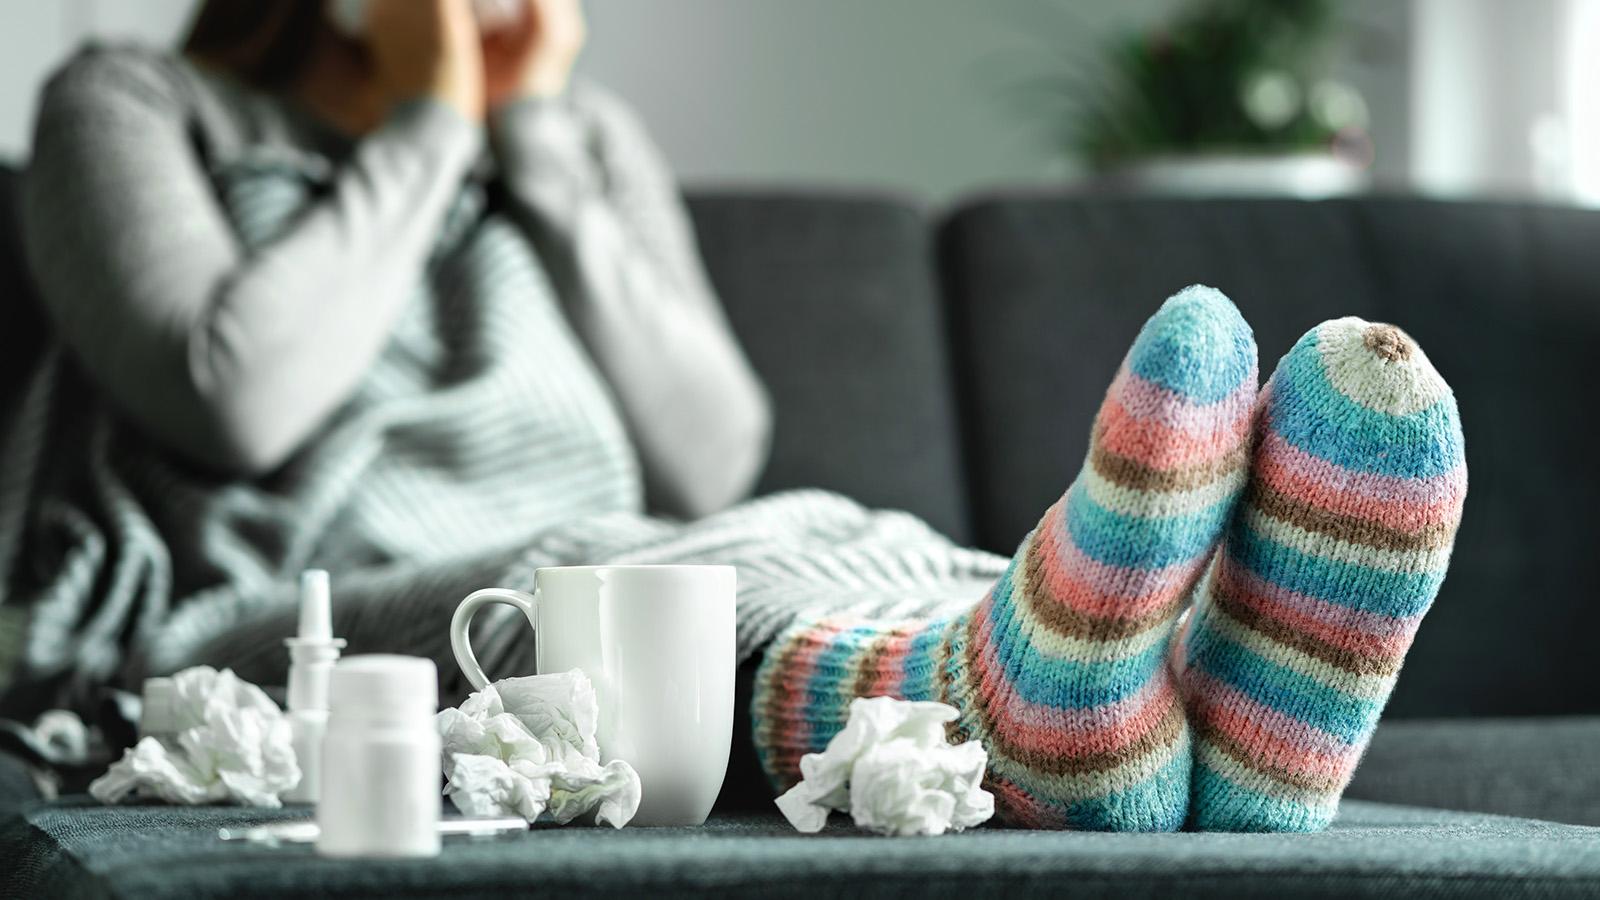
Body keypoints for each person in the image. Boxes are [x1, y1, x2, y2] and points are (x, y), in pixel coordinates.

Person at [3, 0, 1466, 833]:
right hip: (290, 620)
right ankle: (1010, 717)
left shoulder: (579, 146)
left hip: (630, 543)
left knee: (848, 527)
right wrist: (432, 122)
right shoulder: (130, 103)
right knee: (616, 587)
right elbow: (234, 396)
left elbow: (716, 449)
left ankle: (1200, 726)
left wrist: (542, 160)